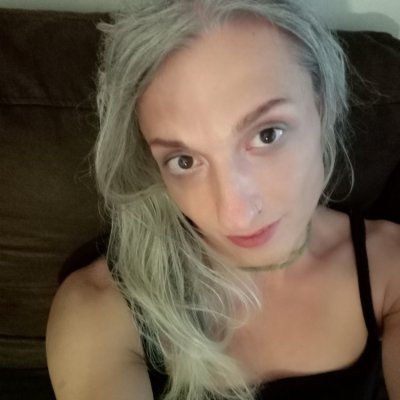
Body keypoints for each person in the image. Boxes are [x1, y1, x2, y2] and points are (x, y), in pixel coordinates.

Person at [46, 1, 400, 399]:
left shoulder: (388, 268)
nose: (236, 215)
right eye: (184, 161)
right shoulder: (101, 307)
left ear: (322, 107)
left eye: (267, 134)